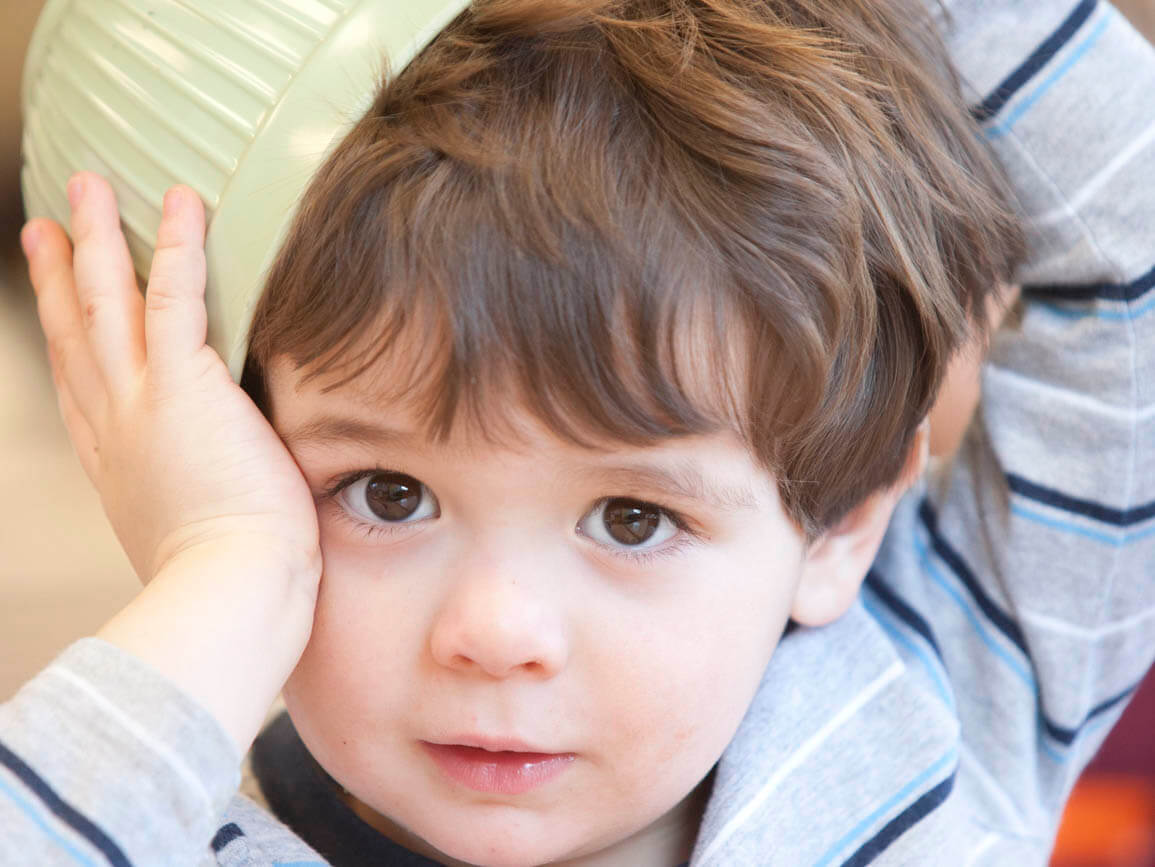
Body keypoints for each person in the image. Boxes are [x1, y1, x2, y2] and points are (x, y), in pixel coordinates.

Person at [4, 0, 1154, 863]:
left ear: (839, 522)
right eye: (386, 494)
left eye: (633, 516)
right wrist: (219, 570)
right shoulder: (165, 830)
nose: (497, 634)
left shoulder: (949, 694)